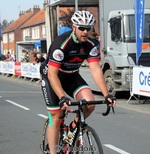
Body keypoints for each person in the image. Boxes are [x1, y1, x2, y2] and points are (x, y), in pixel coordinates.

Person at [40, 10, 116, 154]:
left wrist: (107, 95)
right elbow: (52, 74)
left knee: (90, 103)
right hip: (52, 77)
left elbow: (95, 70)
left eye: (89, 28)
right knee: (56, 118)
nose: (85, 32)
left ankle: (74, 127)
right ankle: (53, 151)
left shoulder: (92, 44)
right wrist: (62, 97)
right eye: (81, 28)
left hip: (71, 76)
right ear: (74, 27)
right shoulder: (61, 43)